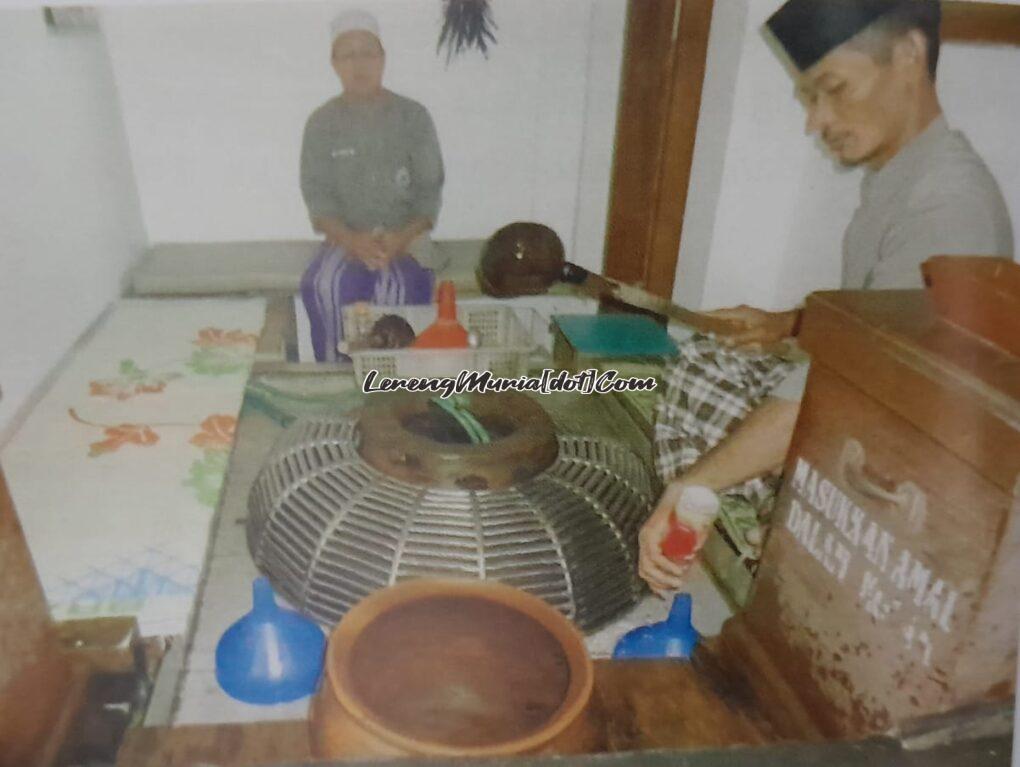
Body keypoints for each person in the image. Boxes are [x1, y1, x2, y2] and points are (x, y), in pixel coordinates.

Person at [639, 0, 1014, 594]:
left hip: (905, 470)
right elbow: (890, 321)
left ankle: (760, 536)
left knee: (708, 416)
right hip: (873, 407)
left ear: (909, 56)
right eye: (808, 98)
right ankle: (757, 512)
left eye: (832, 90)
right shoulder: (908, 174)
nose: (816, 122)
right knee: (710, 361)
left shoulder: (944, 203)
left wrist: (690, 486)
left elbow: (841, 390)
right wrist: (787, 324)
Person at [300, 9, 445, 362]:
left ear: (382, 58)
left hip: (406, 236)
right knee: (325, 285)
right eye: (347, 55)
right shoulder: (321, 123)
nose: (359, 64)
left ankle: (393, 389)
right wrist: (352, 240)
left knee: (397, 289)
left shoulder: (413, 117)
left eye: (368, 52)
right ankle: (339, 379)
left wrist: (398, 240)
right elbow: (318, 200)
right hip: (345, 236)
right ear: (334, 63)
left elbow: (429, 194)